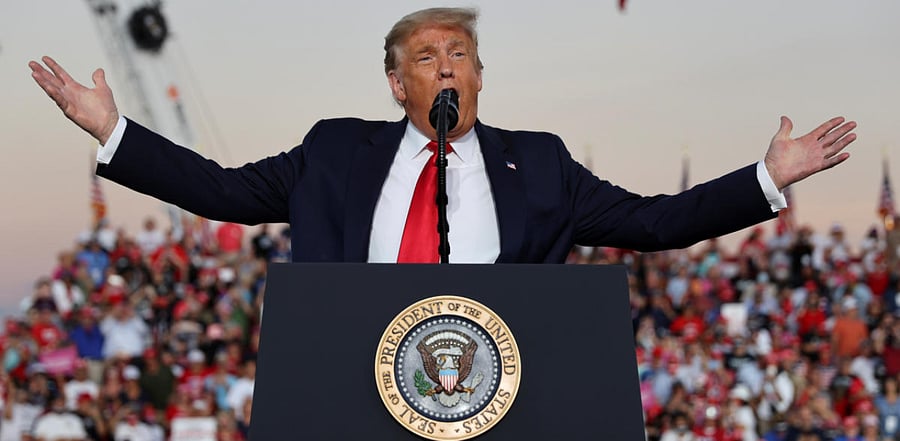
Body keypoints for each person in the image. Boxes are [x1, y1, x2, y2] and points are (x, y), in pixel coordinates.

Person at [28, 8, 857, 264]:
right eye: (426, 56)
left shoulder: (540, 163)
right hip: (353, 385)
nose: (447, 64)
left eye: (461, 52)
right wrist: (116, 131)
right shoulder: (333, 151)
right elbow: (222, 191)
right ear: (397, 84)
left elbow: (654, 222)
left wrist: (764, 177)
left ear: (481, 75)